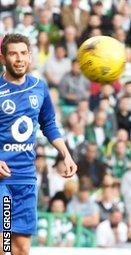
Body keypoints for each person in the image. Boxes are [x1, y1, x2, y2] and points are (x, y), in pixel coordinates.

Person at [0, 33, 77, 255]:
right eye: (13, 53)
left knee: (22, 249)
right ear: (3, 57)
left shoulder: (39, 87)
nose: (19, 58)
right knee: (4, 246)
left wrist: (66, 154)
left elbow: (49, 124)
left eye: (23, 53)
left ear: (30, 56)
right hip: (2, 181)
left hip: (26, 180)